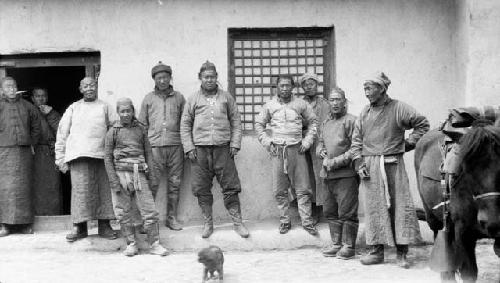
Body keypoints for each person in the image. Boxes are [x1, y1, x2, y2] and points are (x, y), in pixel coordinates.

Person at [351, 71, 429, 268]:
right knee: (374, 207)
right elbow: (356, 140)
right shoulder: (365, 112)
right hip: (370, 166)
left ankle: (402, 253)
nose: (366, 92)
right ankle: (376, 251)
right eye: (364, 89)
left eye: (369, 88)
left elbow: (422, 124)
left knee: (399, 205)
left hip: (393, 163)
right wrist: (359, 163)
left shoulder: (399, 108)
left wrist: (407, 145)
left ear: (382, 89)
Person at [180, 61, 249, 239]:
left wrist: (235, 143)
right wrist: (189, 147)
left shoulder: (226, 97)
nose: (209, 80)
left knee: (231, 186)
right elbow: (185, 125)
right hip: (199, 151)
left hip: (223, 149)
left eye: (212, 77)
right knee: (202, 187)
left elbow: (236, 121)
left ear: (216, 77)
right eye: (206, 77)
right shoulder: (193, 99)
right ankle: (208, 223)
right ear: (200, 78)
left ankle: (237, 223)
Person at [55, 77, 117, 242]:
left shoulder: (104, 107)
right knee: (80, 192)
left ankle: (105, 226)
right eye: (86, 85)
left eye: (92, 85)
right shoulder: (74, 108)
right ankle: (79, 227)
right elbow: (62, 133)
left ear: (96, 87)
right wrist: (60, 158)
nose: (89, 88)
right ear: (80, 89)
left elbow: (115, 128)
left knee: (102, 191)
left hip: (100, 155)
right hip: (78, 156)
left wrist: (114, 152)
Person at [255, 74, 318, 235]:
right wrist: (268, 142)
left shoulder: (300, 104)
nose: (284, 88)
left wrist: (307, 142)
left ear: (293, 87)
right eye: (281, 85)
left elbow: (313, 122)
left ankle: (306, 220)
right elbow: (259, 124)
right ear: (277, 87)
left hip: (297, 149)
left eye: (287, 85)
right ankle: (284, 220)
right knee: (280, 189)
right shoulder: (270, 105)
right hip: (278, 151)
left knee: (303, 187)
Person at [104, 98, 168, 256]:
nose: (126, 114)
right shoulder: (113, 131)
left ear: (133, 111)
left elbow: (148, 153)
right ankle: (131, 244)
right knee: (123, 212)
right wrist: (114, 181)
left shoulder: (140, 129)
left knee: (149, 210)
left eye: (128, 111)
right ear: (118, 113)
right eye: (122, 111)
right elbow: (107, 157)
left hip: (139, 173)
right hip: (120, 175)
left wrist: (152, 176)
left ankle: (154, 244)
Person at [139, 62, 186, 231]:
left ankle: (171, 218)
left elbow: (186, 123)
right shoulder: (149, 99)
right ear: (154, 80)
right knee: (152, 184)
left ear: (170, 78)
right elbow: (142, 125)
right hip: (154, 148)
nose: (162, 81)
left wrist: (187, 146)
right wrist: (143, 150)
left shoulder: (179, 98)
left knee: (175, 183)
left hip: (176, 146)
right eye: (159, 78)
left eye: (165, 77)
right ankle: (149, 221)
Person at [316, 87, 358, 259]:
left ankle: (349, 247)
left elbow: (355, 149)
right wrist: (320, 151)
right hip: (327, 175)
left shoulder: (352, 121)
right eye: (331, 100)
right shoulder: (326, 123)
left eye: (338, 99)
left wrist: (334, 162)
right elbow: (320, 143)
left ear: (344, 102)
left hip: (346, 175)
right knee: (330, 211)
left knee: (347, 212)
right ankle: (336, 244)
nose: (334, 103)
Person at [0, 77, 41, 237]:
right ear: (2, 90)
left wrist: (33, 144)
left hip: (24, 152)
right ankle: (5, 225)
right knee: (5, 190)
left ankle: (25, 225)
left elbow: (36, 126)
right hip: (3, 153)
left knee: (24, 189)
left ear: (17, 87)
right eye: (7, 87)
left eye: (13, 86)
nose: (11, 89)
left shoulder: (27, 106)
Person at [298, 72, 331, 224]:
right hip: (303, 143)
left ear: (317, 85)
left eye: (312, 84)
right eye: (305, 84)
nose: (309, 87)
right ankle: (308, 210)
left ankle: (322, 209)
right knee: (306, 177)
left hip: (320, 143)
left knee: (320, 176)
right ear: (302, 87)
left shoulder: (325, 104)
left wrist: (324, 143)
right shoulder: (298, 103)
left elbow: (329, 124)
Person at [31, 87, 62, 215]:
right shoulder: (29, 111)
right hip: (35, 154)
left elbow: (61, 130)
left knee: (53, 187)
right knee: (36, 187)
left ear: (47, 97)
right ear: (32, 99)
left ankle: (54, 216)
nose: (41, 98)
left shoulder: (53, 113)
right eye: (38, 96)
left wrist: (50, 114)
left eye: (43, 95)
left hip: (51, 153)